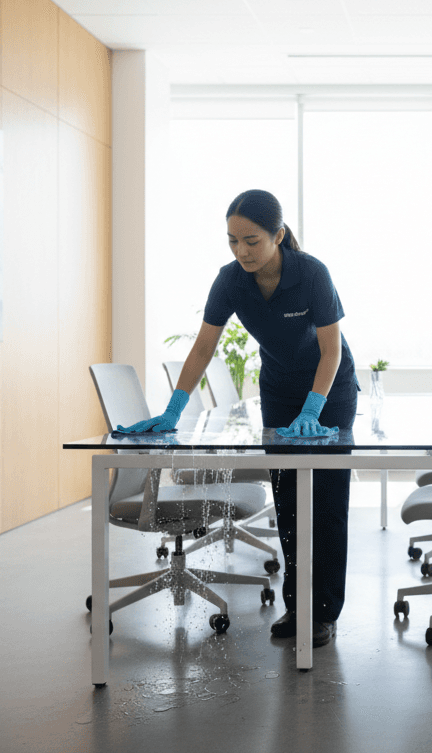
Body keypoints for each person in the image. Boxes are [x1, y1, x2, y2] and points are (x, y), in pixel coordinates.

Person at [117, 189, 359, 648]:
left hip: (329, 389)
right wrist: (174, 408)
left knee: (326, 499)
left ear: (278, 235)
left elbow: (331, 349)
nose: (241, 251)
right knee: (288, 498)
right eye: (232, 241)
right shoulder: (230, 280)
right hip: (278, 389)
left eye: (252, 241)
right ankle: (297, 607)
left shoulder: (311, 274)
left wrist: (314, 409)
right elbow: (204, 346)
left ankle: (323, 613)